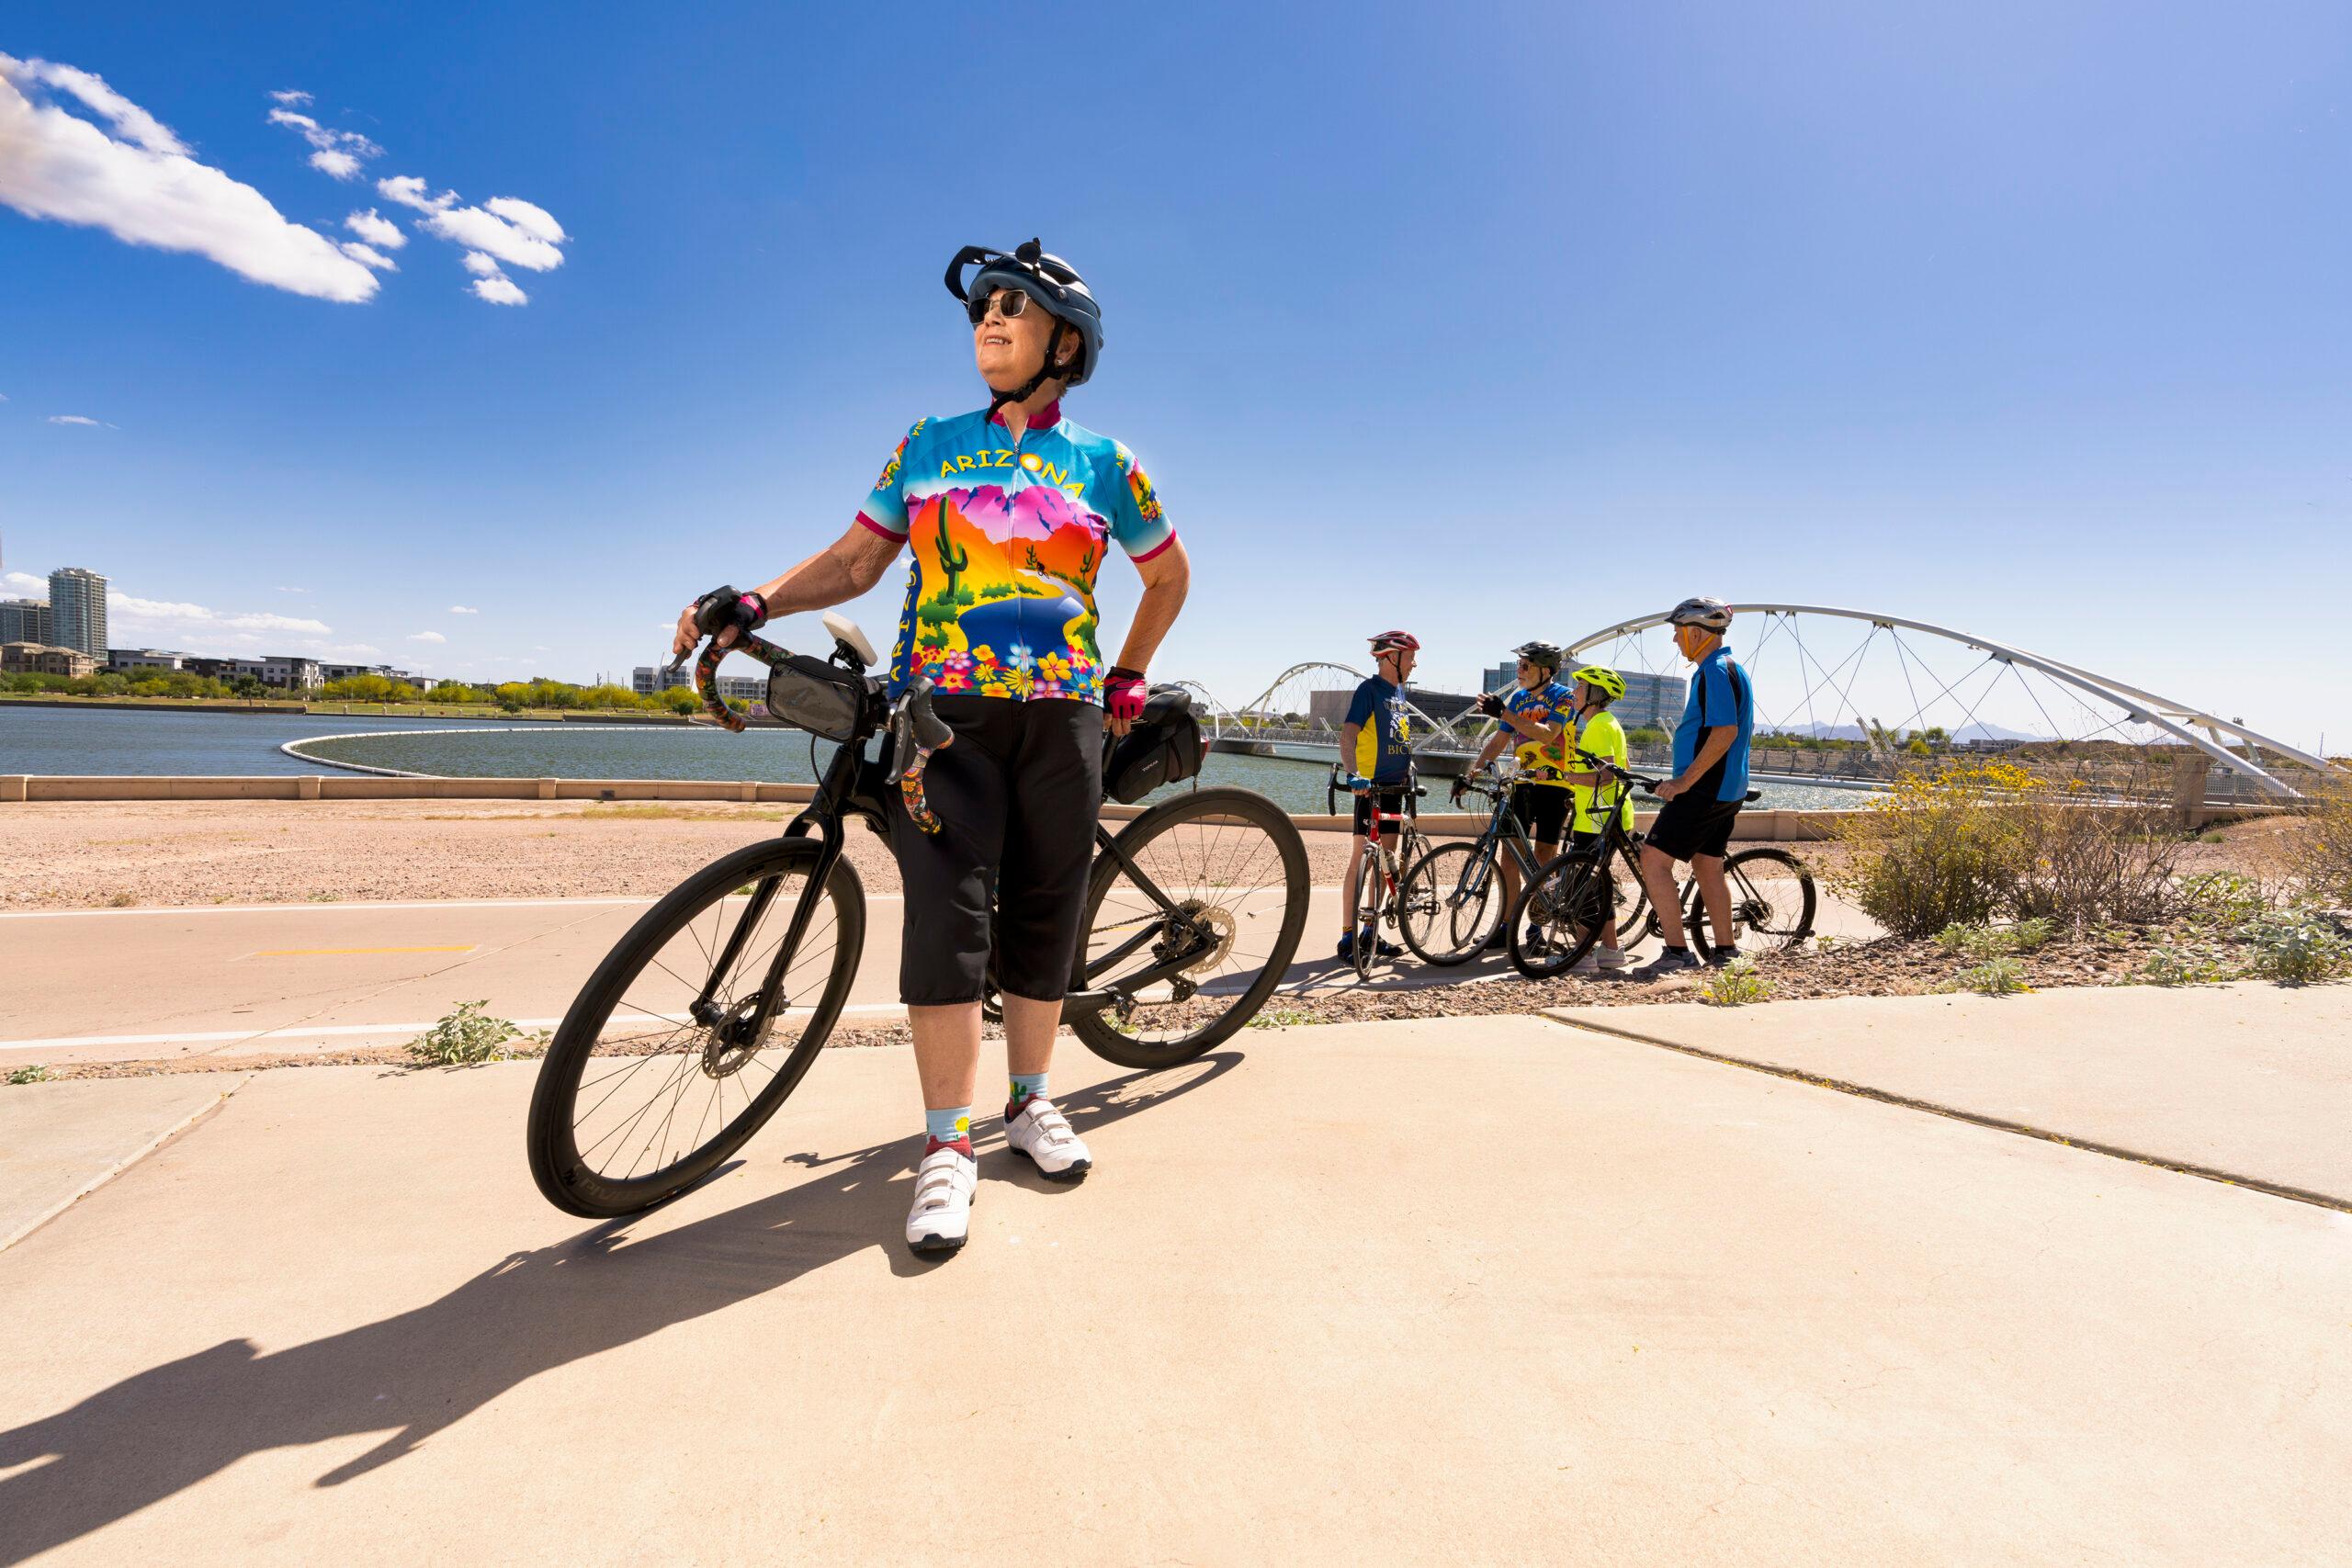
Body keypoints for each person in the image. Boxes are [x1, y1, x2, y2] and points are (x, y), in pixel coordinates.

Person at [672, 240, 1192, 1256]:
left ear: (1065, 340)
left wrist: (1126, 674)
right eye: (978, 309)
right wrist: (756, 597)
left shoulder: (1106, 462)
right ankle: (947, 1146)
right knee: (947, 923)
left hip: (1063, 714)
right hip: (942, 716)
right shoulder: (927, 443)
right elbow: (859, 560)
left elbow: (1167, 577)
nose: (987, 320)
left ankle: (1031, 1100)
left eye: (1011, 305)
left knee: (1046, 911)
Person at [1633, 598, 1754, 976]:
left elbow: (1725, 731)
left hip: (1704, 788)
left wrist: (1684, 781)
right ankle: (1726, 951)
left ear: (1697, 633)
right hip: (1726, 788)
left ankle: (1676, 954)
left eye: (1678, 631)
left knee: (1653, 859)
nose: (1674, 639)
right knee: (1708, 866)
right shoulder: (1730, 668)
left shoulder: (1714, 671)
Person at [1459, 641, 1574, 951]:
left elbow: (1549, 734)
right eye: (1519, 666)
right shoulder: (1519, 698)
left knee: (1543, 857)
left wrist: (1506, 713)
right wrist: (1471, 774)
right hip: (1521, 783)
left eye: (1526, 666)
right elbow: (1497, 743)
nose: (1520, 671)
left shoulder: (1563, 696)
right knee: (1508, 856)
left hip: (1555, 785)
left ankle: (1536, 930)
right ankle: (1505, 925)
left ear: (1545, 671)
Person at [1336, 630, 1419, 960]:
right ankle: (1347, 936)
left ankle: (1372, 932)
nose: (1414, 665)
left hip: (1396, 788)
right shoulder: (1368, 691)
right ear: (1391, 658)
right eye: (1410, 658)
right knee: (1360, 859)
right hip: (1369, 789)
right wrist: (1354, 774)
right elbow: (1348, 736)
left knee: (1386, 860)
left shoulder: (1399, 692)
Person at [1554, 663, 1635, 975]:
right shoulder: (1608, 722)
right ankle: (1611, 951)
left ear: (1593, 694)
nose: (1573, 693)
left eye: (1579, 688)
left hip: (1598, 818)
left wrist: (1570, 777)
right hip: (1603, 814)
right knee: (1596, 884)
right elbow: (1620, 766)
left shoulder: (1600, 725)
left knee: (1581, 886)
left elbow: (1607, 776)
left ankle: (1583, 954)